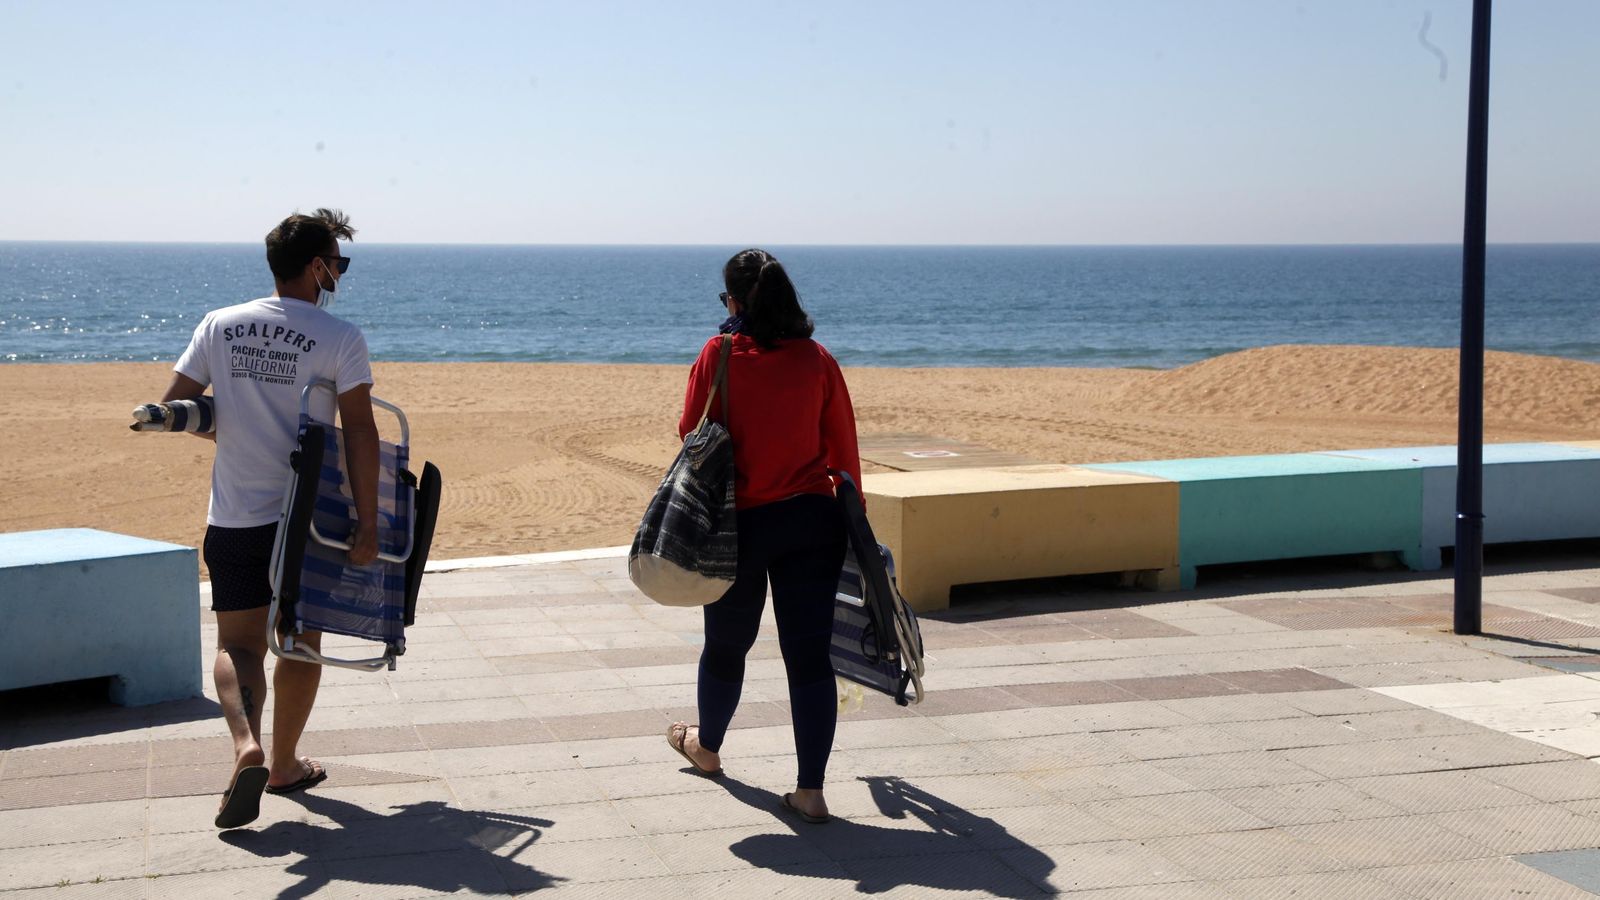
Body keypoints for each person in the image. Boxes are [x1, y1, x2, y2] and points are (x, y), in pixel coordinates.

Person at [159, 208, 381, 829]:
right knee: (301, 639)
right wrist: (368, 521)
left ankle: (245, 746)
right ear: (316, 268)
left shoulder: (221, 324)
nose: (338, 273)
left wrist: (237, 426)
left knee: (238, 642)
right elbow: (360, 433)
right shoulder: (340, 337)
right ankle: (284, 763)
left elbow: (179, 406)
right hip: (309, 520)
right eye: (337, 263)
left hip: (235, 515)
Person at [667, 248, 861, 824]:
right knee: (808, 659)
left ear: (733, 301)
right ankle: (811, 791)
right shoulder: (817, 359)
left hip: (738, 524)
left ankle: (707, 747)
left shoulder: (719, 353)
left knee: (727, 645)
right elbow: (843, 451)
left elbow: (690, 431)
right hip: (810, 522)